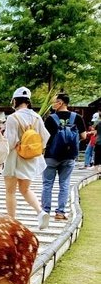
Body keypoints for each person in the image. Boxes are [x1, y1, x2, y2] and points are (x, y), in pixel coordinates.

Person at [4, 87, 51, 229]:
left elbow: (10, 142)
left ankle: (12, 222)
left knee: (10, 191)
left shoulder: (13, 118)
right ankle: (40, 212)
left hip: (14, 159)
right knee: (25, 189)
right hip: (31, 158)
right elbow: (45, 137)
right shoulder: (37, 117)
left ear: (15, 100)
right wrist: (33, 148)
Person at [41, 93, 86, 221]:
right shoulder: (77, 117)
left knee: (47, 184)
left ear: (60, 102)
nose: (52, 104)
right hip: (69, 156)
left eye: (54, 102)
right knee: (64, 184)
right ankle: (60, 212)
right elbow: (83, 136)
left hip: (51, 156)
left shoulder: (50, 118)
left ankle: (45, 211)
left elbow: (45, 137)